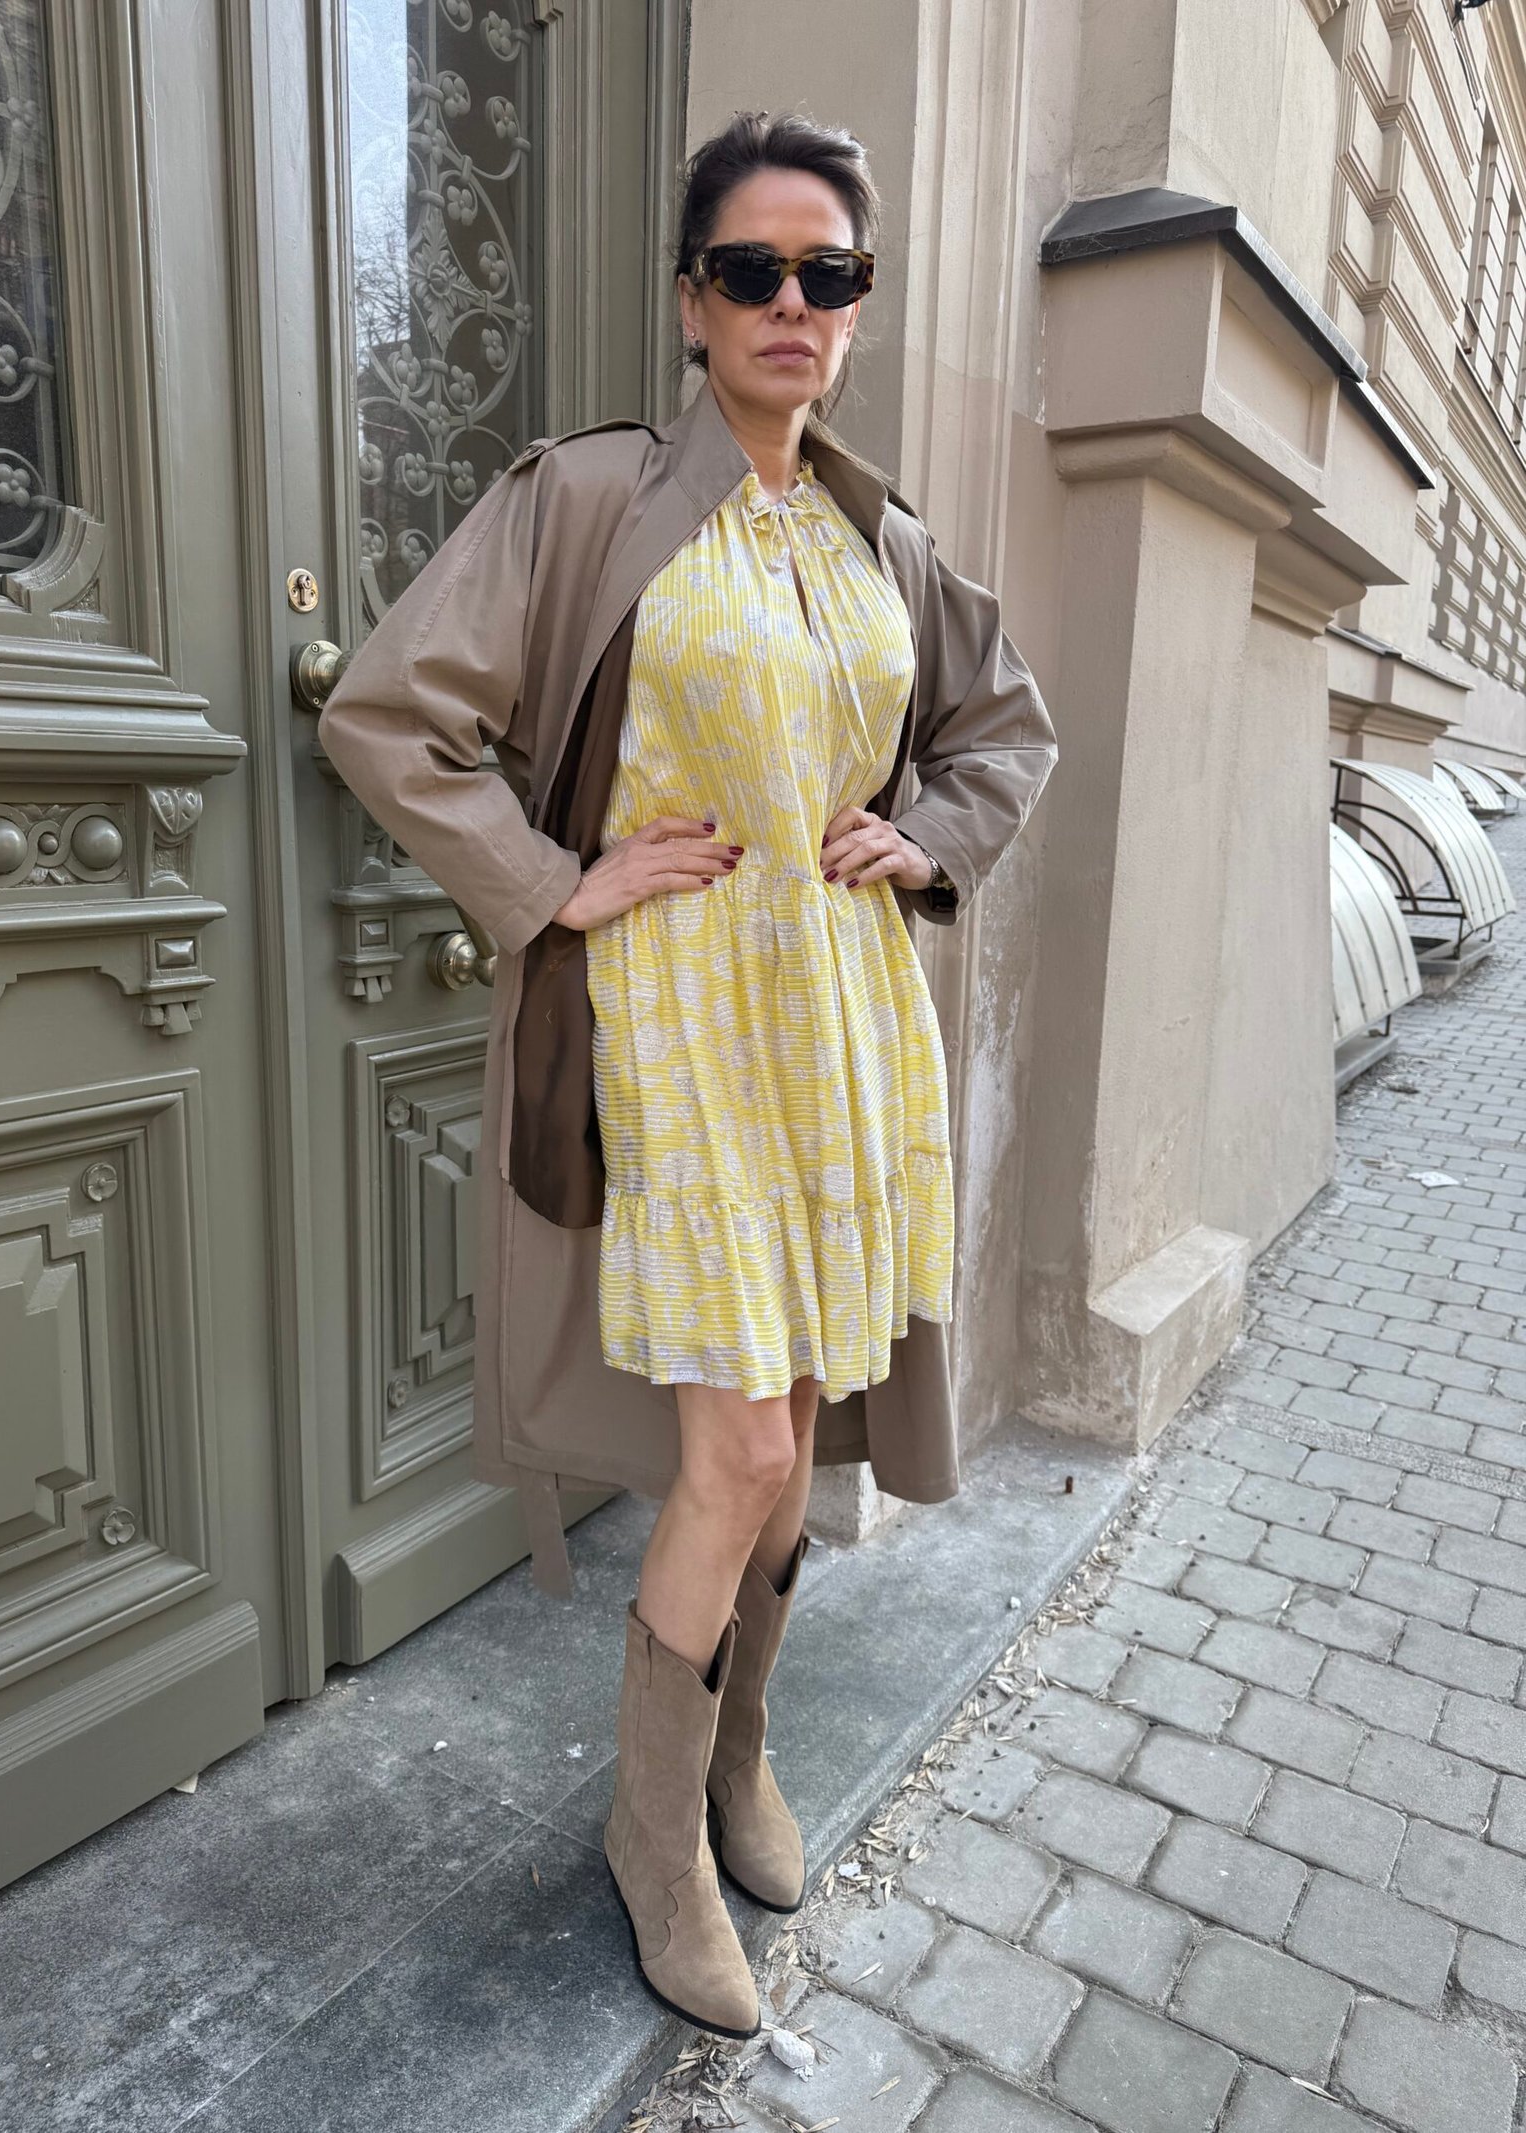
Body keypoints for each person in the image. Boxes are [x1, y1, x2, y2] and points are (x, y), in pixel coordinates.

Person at [319, 110, 1056, 2041]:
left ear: (858, 305)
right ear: (692, 301)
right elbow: (386, 713)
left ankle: (739, 1757)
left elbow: (1004, 731)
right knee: (733, 1449)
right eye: (754, 269)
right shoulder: (591, 497)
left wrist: (929, 834)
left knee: (795, 1423)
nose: (794, 302)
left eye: (832, 273)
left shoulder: (883, 538)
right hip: (679, 1028)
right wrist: (553, 881)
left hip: (846, 1029)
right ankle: (656, 1835)